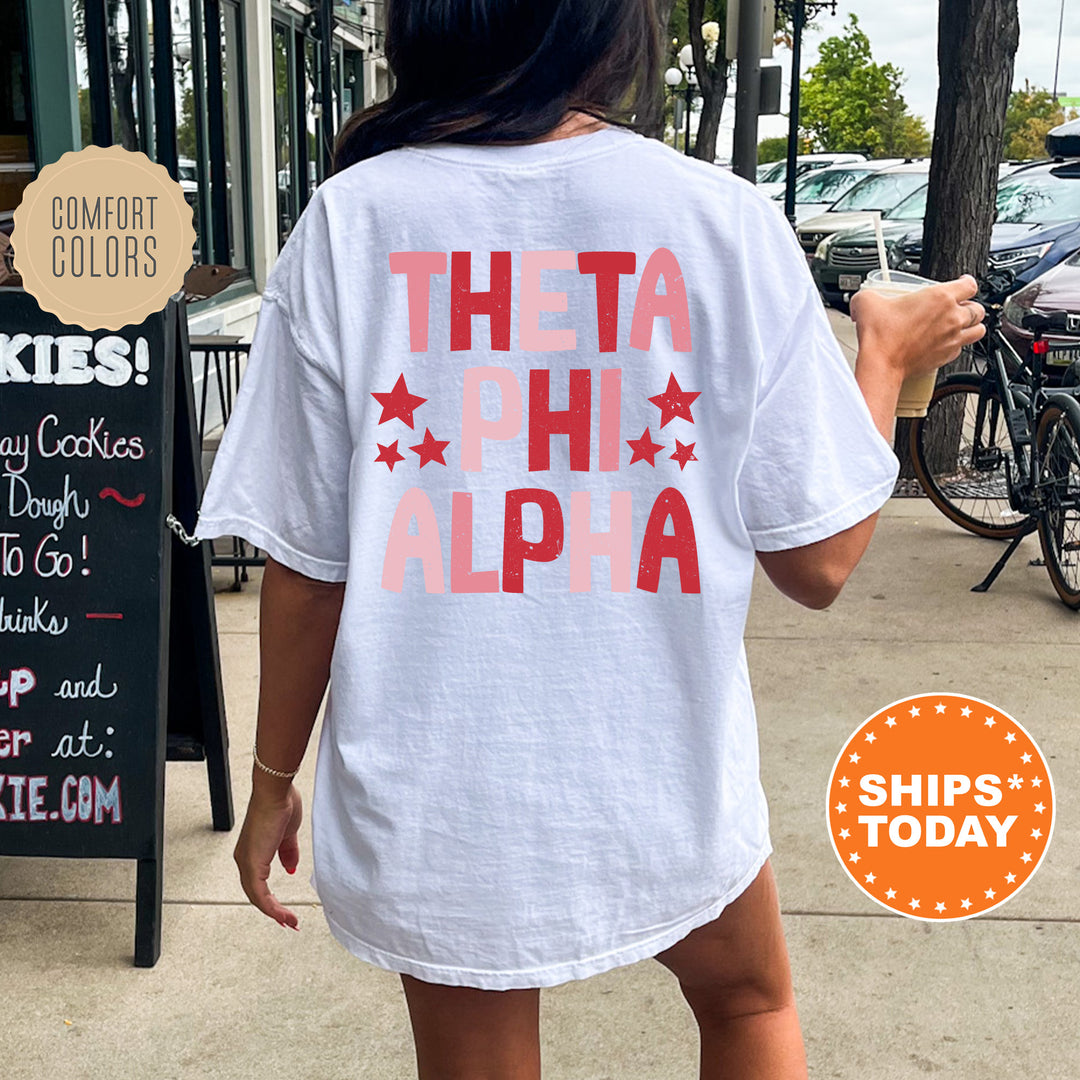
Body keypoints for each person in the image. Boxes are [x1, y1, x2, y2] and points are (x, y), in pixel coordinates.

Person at [194, 2, 986, 1077]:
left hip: (443, 786)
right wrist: (884, 362)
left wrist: (273, 775)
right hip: (657, 769)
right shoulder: (719, 219)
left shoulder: (350, 222)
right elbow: (821, 561)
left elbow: (308, 568)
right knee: (749, 1005)